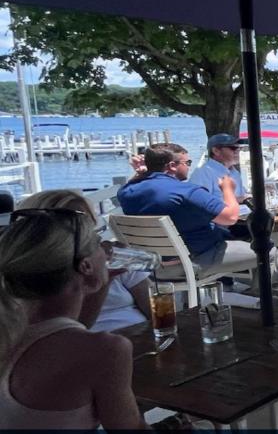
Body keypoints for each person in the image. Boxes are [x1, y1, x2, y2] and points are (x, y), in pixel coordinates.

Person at [0, 207, 147, 429]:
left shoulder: (11, 330)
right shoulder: (106, 350)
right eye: (99, 243)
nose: (107, 251)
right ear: (86, 265)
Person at [17, 190, 152, 333]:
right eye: (76, 224)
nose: (87, 232)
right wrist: (105, 278)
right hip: (87, 347)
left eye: (88, 224)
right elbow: (71, 328)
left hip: (142, 339)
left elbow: (153, 307)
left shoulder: (111, 255)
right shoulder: (33, 276)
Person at [117, 143, 253, 270]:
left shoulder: (126, 192)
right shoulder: (186, 191)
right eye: (187, 163)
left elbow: (139, 184)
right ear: (172, 166)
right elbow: (230, 217)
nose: (189, 167)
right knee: (268, 251)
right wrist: (228, 189)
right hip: (195, 257)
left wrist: (143, 173)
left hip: (153, 264)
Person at [187, 133, 248, 202]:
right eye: (233, 148)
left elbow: (242, 196)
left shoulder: (234, 173)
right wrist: (236, 200)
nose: (238, 151)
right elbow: (198, 202)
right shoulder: (203, 173)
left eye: (239, 148)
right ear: (216, 151)